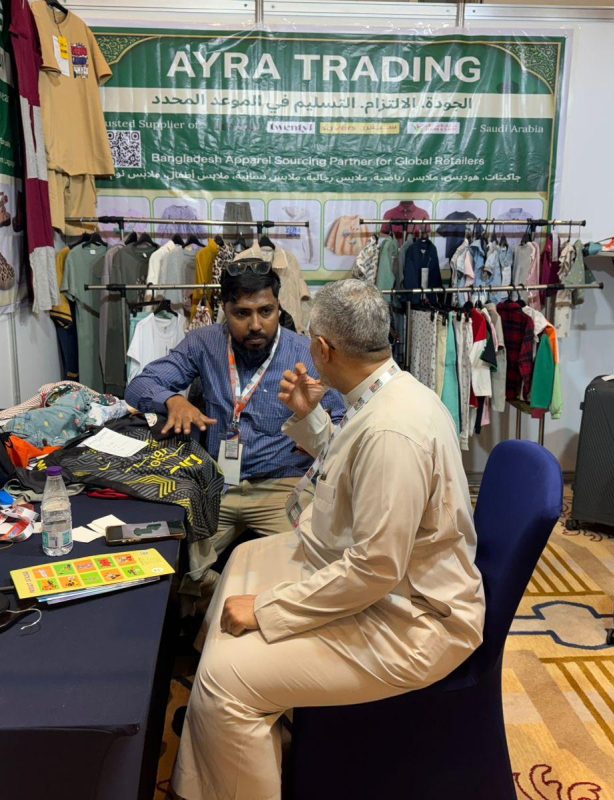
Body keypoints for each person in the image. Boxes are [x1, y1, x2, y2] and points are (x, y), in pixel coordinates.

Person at [171, 279, 486, 800]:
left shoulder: (392, 430)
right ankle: (235, 735)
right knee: (245, 558)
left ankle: (227, 714)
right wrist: (309, 416)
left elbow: (375, 569)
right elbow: (352, 464)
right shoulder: (387, 390)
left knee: (226, 681)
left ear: (322, 348)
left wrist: (269, 610)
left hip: (412, 622)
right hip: (385, 585)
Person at [124, 262, 345, 599]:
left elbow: (344, 419)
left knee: (315, 565)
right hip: (216, 485)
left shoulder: (306, 353)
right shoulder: (204, 343)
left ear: (279, 306)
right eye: (242, 313)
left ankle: (240, 600)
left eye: (266, 311)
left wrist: (313, 424)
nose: (256, 324)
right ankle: (215, 592)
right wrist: (172, 400)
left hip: (282, 485)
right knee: (165, 564)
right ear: (224, 309)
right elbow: (139, 385)